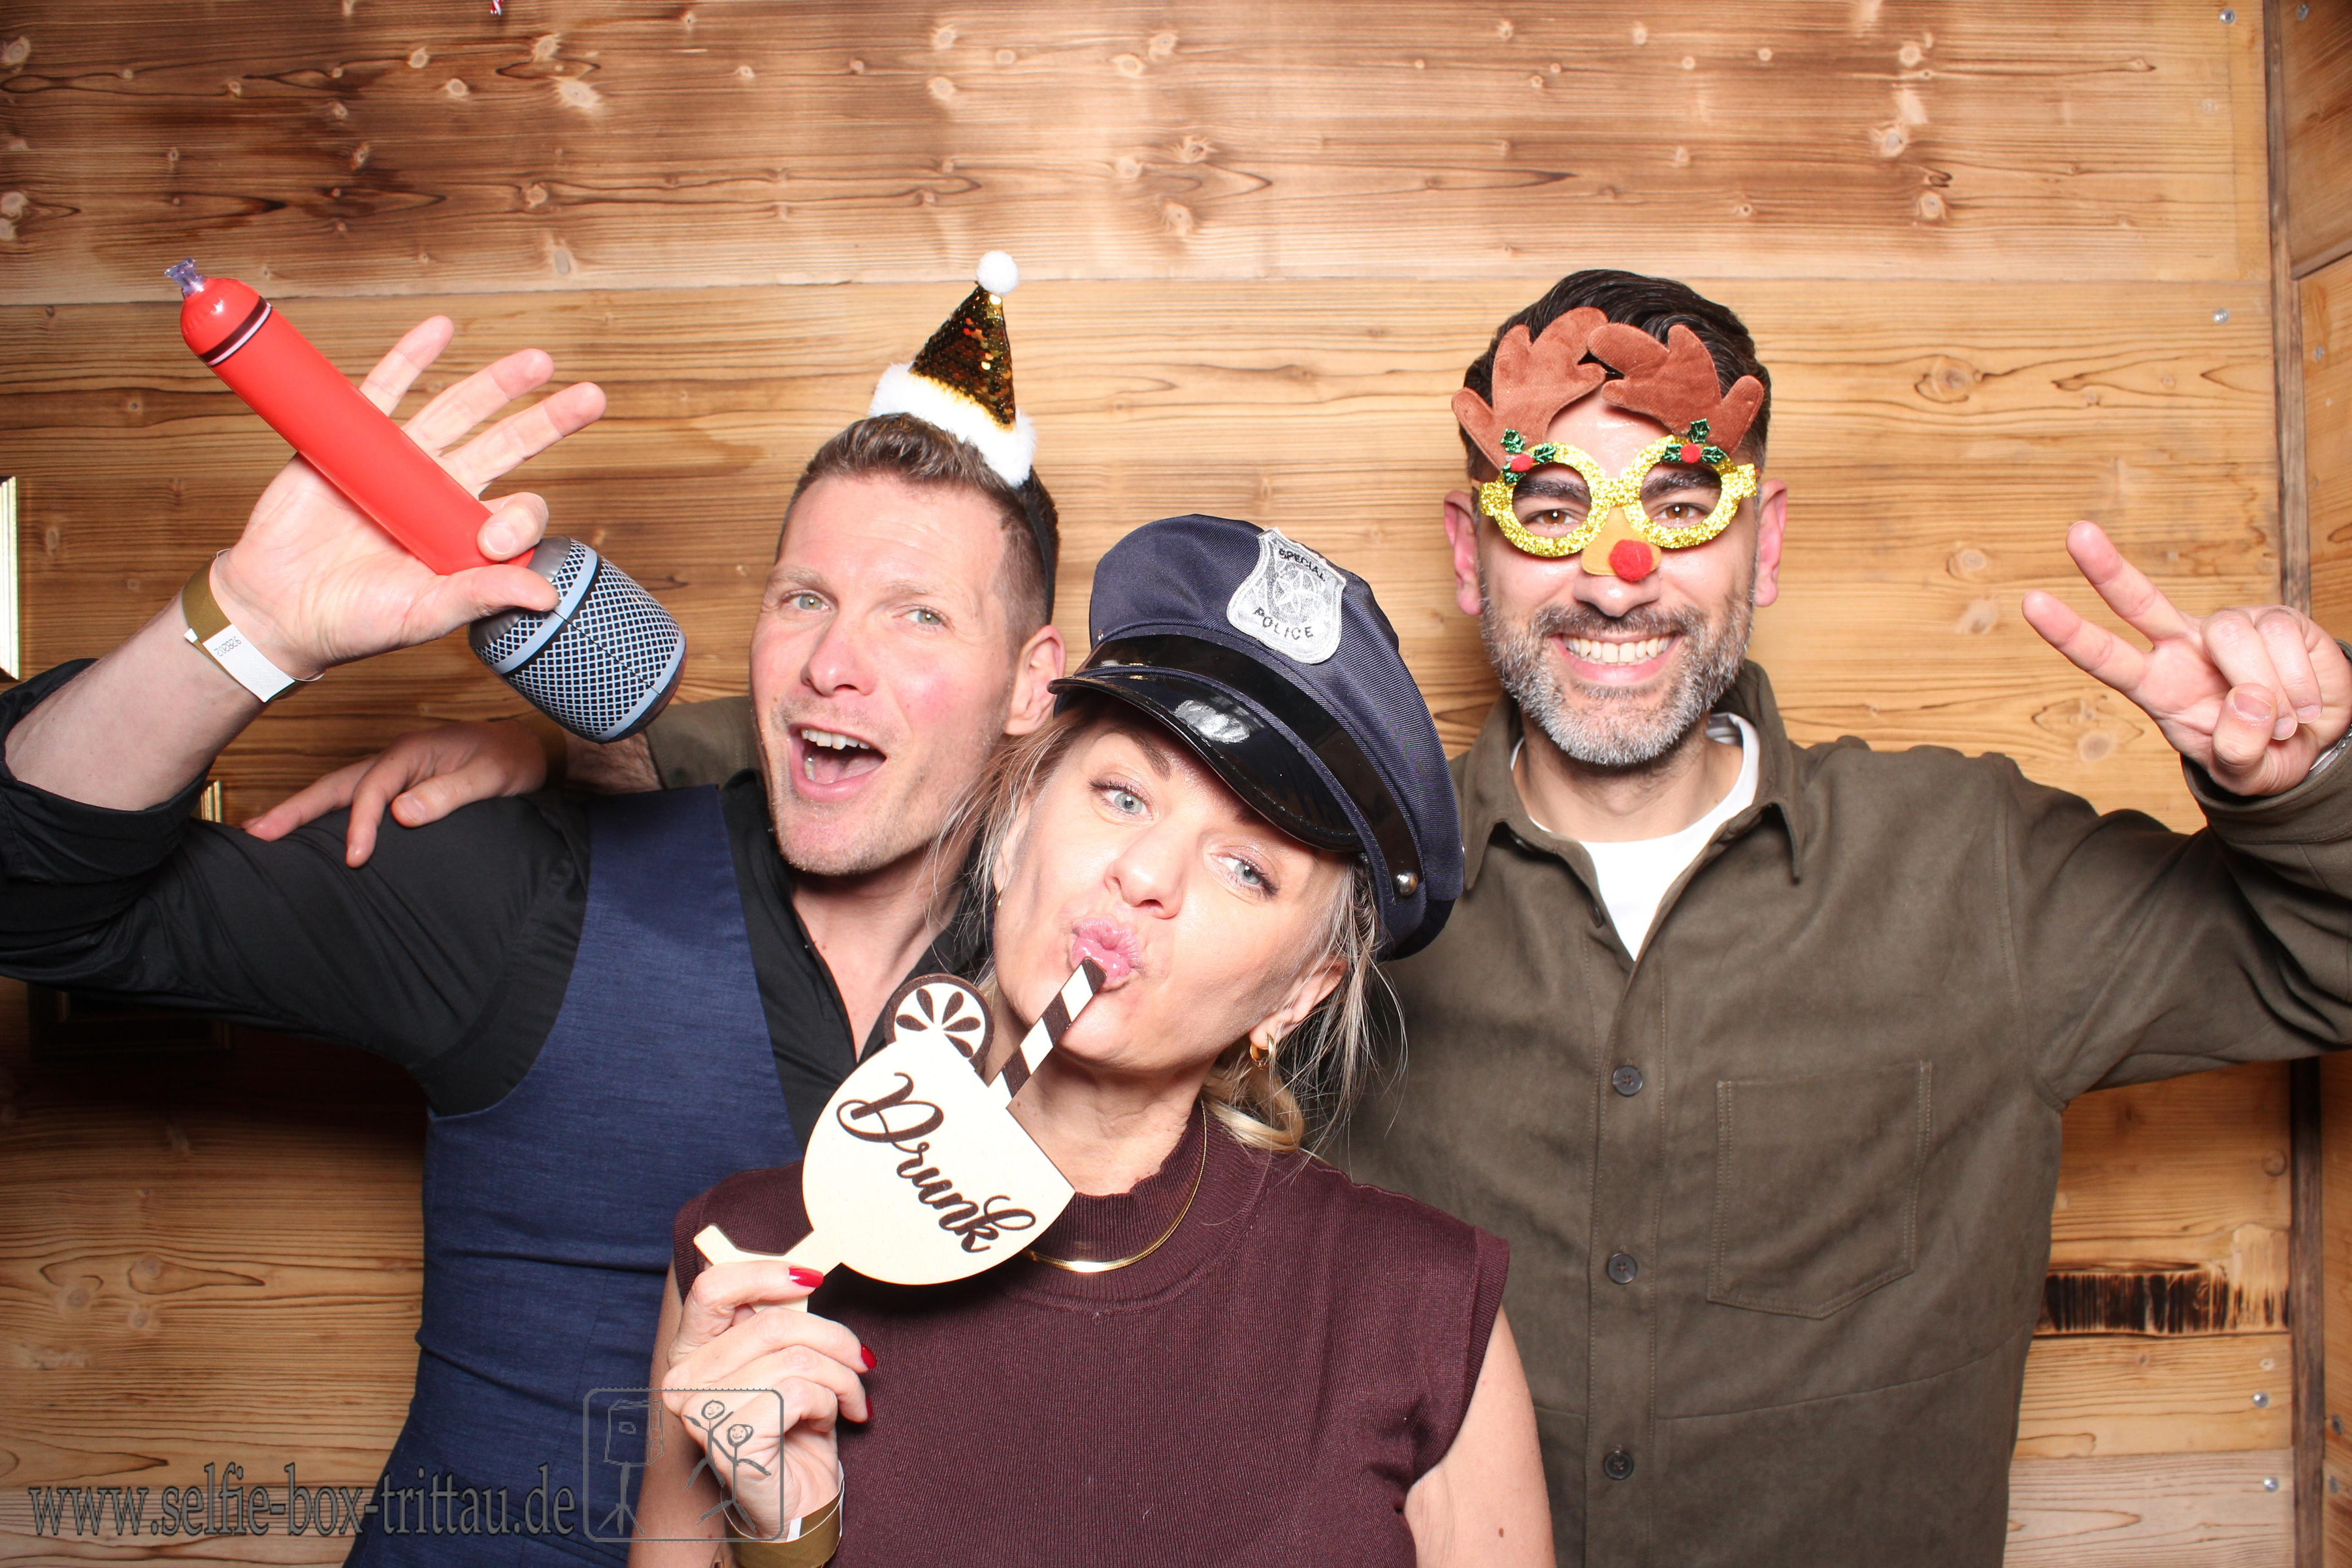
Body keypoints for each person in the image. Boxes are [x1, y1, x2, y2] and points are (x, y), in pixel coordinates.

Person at [295, 269, 2352, 1567]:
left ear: (1766, 543)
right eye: (1551, 507)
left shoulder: (1975, 876)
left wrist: (2300, 786)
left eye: (1680, 509)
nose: (1617, 574)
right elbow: (969, 772)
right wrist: (597, 763)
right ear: (1471, 552)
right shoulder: (1320, 871)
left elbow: (2320, 962)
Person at [0, 259, 1068, 1565]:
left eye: (917, 616)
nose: (833, 663)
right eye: (804, 599)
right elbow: (38, 903)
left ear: (1032, 684)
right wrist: (252, 627)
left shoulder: (1095, 998)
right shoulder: (533, 894)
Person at [634, 513, 1547, 1567]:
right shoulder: (747, 1265)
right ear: (1020, 821)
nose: (1146, 874)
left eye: (1246, 868)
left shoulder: (1421, 1309)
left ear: (1299, 994)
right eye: (1122, 795)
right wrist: (784, 1535)